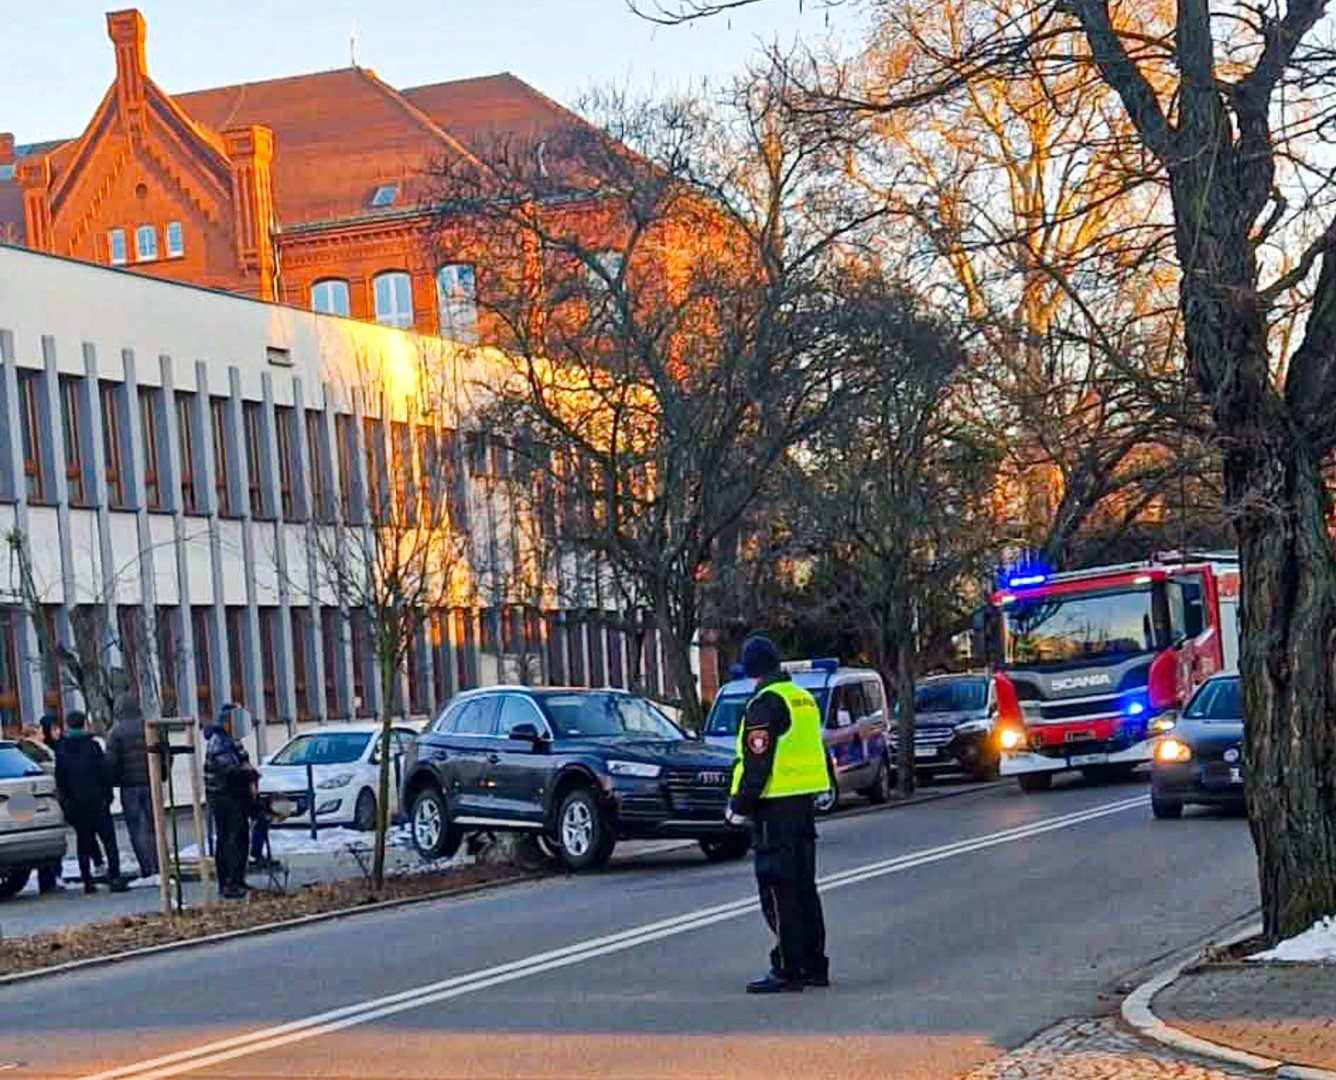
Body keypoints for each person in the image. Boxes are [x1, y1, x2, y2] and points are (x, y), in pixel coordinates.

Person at [725, 635, 830, 994]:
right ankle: (815, 964)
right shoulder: (802, 699)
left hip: (774, 809)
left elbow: (757, 763)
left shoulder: (764, 703)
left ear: (753, 672)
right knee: (804, 888)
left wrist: (739, 808)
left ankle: (788, 968)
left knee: (778, 890)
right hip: (804, 806)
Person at [53, 710, 128, 894]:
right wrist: (108, 796)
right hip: (97, 801)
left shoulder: (62, 748)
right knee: (109, 840)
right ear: (84, 724)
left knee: (83, 842)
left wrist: (66, 802)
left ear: (68, 725)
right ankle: (115, 877)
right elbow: (105, 773)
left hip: (77, 804)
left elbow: (60, 779)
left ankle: (87, 881)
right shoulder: (93, 746)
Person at [204, 704, 257, 900]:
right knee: (230, 840)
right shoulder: (219, 741)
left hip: (235, 796)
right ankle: (228, 883)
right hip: (225, 798)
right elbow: (229, 768)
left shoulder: (231, 740)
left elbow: (241, 763)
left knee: (240, 839)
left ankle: (237, 879)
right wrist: (251, 773)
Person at [105, 693, 159, 881]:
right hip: (151, 783)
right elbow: (164, 753)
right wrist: (162, 775)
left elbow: (111, 763)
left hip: (129, 787)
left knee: (136, 829)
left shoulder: (115, 732)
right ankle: (159, 866)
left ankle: (147, 868)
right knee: (155, 826)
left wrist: (112, 784)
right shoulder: (150, 726)